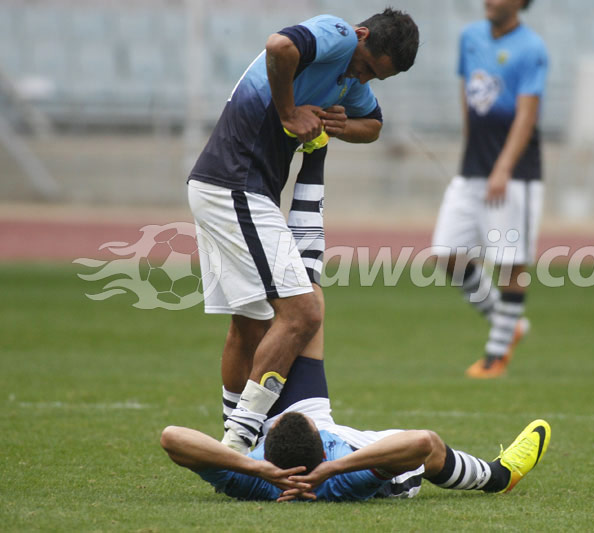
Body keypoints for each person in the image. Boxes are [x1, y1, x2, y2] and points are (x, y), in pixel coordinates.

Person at [186, 9, 419, 452]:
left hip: (231, 187)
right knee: (305, 312)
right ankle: (239, 442)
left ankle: (232, 436)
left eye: (376, 77)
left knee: (251, 324)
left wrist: (340, 125)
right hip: (236, 183)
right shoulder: (336, 34)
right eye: (367, 66)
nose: (364, 77)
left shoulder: (351, 81)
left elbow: (374, 126)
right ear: (362, 36)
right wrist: (289, 111)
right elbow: (279, 46)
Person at [161, 355, 551, 502]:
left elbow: (171, 437)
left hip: (299, 458)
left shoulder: (254, 478)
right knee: (429, 456)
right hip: (364, 458)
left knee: (303, 316)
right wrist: (333, 468)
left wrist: (253, 467)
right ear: (320, 437)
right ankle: (500, 476)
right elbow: (422, 443)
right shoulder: (344, 480)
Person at [431, 0, 549, 379]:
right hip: (472, 170)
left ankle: (496, 355)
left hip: (514, 176)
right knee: (447, 253)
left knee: (510, 260)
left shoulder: (532, 48)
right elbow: (469, 96)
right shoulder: (470, 37)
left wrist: (502, 167)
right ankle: (508, 323)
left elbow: (527, 114)